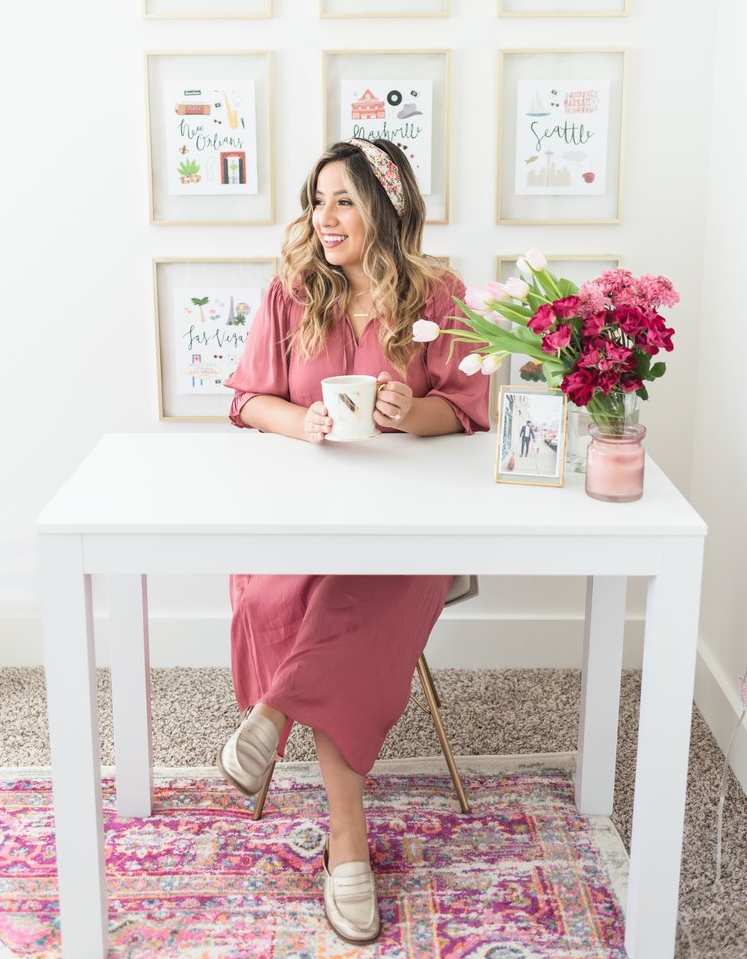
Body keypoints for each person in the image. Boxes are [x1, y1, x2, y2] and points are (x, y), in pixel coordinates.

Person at [217, 137, 490, 944]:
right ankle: (348, 842)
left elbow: (470, 408)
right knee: (299, 588)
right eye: (317, 199)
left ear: (386, 207)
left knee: (355, 585)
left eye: (343, 200)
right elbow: (245, 401)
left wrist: (418, 412)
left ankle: (277, 724)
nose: (323, 217)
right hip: (299, 519)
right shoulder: (292, 291)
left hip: (411, 532)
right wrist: (299, 421)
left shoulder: (441, 295)